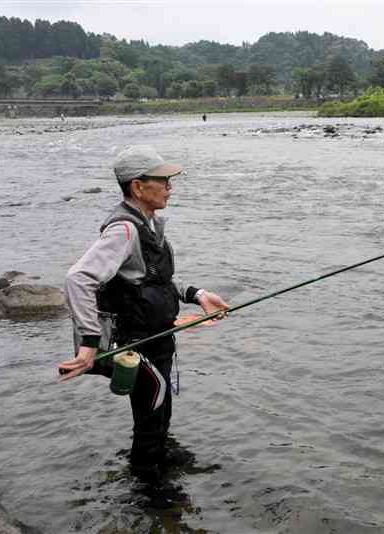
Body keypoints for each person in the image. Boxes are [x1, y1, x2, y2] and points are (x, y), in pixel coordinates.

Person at [58, 145, 229, 481]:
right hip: (133, 343)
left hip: (159, 335)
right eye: (163, 180)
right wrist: (90, 342)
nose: (170, 187)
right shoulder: (124, 230)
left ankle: (160, 457)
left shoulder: (149, 225)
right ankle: (149, 487)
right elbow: (77, 279)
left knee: (160, 407)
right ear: (138, 186)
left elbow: (154, 278)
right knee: (154, 400)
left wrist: (199, 295)